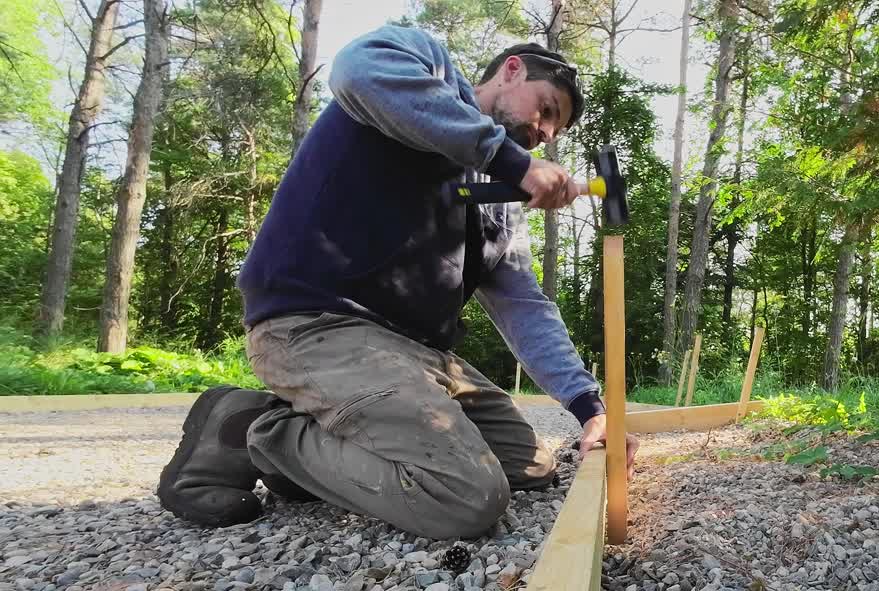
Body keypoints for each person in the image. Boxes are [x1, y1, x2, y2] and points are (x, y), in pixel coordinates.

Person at [155, 24, 638, 539]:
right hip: (315, 326)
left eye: (554, 129)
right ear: (512, 69)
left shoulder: (498, 200)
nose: (545, 133)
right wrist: (512, 161)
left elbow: (525, 306)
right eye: (546, 109)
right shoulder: (421, 74)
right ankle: (260, 428)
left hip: (417, 354)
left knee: (530, 467)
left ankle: (324, 448)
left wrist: (591, 408)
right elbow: (356, 73)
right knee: (466, 495)